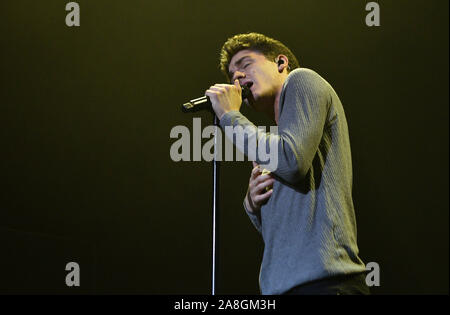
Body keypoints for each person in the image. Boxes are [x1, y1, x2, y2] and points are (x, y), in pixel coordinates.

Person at [205, 32, 369, 295]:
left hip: (325, 285)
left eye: (245, 65)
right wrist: (252, 204)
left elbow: (292, 162)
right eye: (232, 75)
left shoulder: (303, 79)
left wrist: (230, 116)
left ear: (281, 63)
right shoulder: (276, 141)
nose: (237, 78)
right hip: (283, 289)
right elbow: (287, 233)